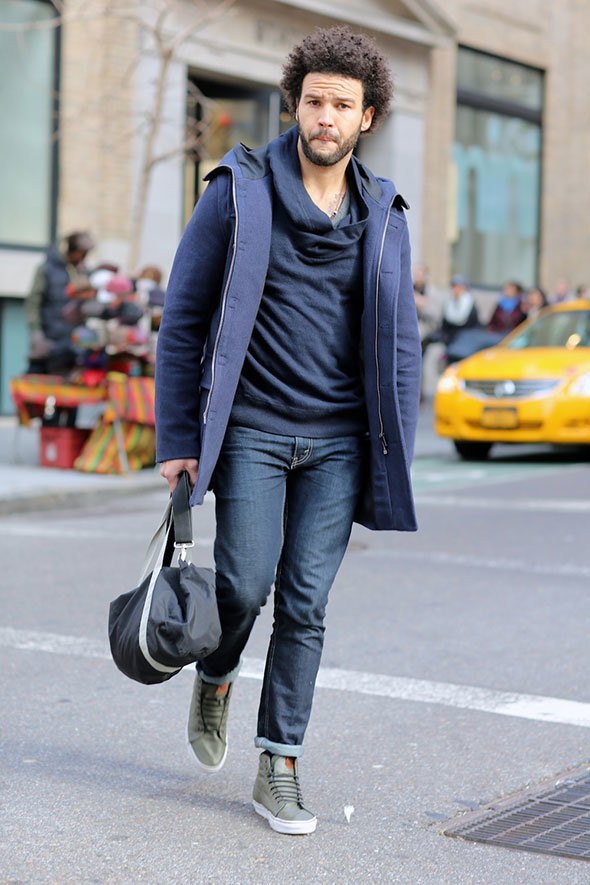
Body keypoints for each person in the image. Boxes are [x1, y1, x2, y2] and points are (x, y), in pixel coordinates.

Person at [155, 25, 421, 835]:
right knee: (241, 584)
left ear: (366, 116)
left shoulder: (383, 213)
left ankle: (280, 762)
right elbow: (183, 319)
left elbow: (401, 342)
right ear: (294, 106)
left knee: (306, 602)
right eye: (314, 101)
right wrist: (178, 437)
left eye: (342, 104)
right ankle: (217, 671)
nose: (325, 116)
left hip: (341, 441)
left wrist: (396, 451)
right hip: (254, 429)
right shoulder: (238, 190)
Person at [25, 231, 95, 373]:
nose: (83, 258)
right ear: (72, 250)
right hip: (49, 339)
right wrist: (36, 332)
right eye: (82, 253)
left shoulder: (83, 272)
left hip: (74, 343)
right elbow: (34, 302)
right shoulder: (47, 269)